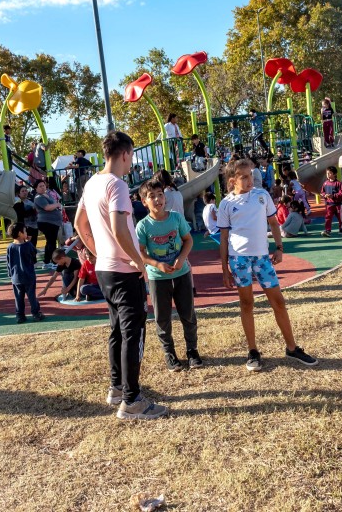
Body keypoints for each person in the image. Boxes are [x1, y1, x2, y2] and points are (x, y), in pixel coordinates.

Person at [74, 131, 168, 420]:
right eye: (131, 157)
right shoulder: (116, 185)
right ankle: (132, 400)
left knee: (116, 329)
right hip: (124, 271)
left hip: (105, 269)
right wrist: (138, 262)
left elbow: (80, 222)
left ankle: (118, 388)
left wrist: (95, 250)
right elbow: (118, 228)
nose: (130, 164)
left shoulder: (91, 183)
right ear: (125, 154)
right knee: (133, 332)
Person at [218, 158, 317, 372]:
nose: (249, 180)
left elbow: (273, 222)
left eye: (251, 175)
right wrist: (224, 267)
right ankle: (253, 351)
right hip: (239, 260)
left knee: (278, 302)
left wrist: (279, 248)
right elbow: (224, 237)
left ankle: (292, 347)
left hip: (262, 259)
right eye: (244, 177)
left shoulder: (262, 196)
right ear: (233, 180)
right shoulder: (226, 204)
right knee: (246, 304)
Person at [136, 178, 202, 372]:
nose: (157, 199)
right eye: (152, 197)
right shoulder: (143, 226)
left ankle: (192, 350)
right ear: (144, 202)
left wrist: (182, 258)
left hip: (182, 274)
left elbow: (188, 240)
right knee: (162, 317)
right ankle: (170, 353)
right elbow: (140, 253)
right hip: (158, 278)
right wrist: (157, 264)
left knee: (188, 313)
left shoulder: (176, 218)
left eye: (160, 195)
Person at [6, 223, 43, 324]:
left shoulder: (10, 247)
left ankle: (20, 315)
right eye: (25, 231)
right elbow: (33, 253)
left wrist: (10, 274)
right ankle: (36, 314)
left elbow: (9, 262)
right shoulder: (28, 245)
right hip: (28, 275)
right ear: (20, 233)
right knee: (31, 296)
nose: (26, 233)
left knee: (18, 297)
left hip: (16, 277)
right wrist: (29, 242)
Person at [33, 180, 63, 268]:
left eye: (43, 185)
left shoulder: (47, 195)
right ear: (36, 188)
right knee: (51, 242)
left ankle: (47, 261)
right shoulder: (39, 197)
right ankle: (52, 262)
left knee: (50, 242)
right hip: (46, 222)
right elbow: (47, 207)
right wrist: (57, 205)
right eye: (40, 186)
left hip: (53, 222)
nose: (42, 187)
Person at [320, 166, 342, 236]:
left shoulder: (338, 183)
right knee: (328, 217)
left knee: (340, 217)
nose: (328, 175)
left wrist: (333, 196)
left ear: (334, 174)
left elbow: (341, 194)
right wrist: (325, 195)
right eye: (327, 173)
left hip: (337, 204)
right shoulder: (325, 183)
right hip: (329, 204)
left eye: (330, 173)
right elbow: (322, 192)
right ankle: (328, 230)